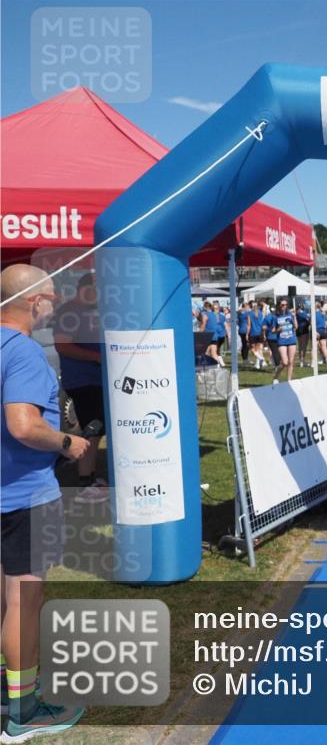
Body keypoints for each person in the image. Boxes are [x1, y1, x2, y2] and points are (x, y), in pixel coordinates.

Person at [1, 264, 88, 740]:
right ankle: (24, 712)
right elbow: (23, 424)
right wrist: (67, 443)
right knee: (24, 603)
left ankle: (8, 691)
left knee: (6, 599)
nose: (55, 307)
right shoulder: (24, 351)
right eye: (52, 298)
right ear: (35, 302)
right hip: (25, 495)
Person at [52, 272, 107, 502]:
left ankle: (90, 478)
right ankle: (85, 483)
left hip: (95, 380)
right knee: (91, 429)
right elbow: (62, 346)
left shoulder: (88, 311)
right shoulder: (69, 311)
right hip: (83, 381)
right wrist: (96, 357)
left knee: (96, 429)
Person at [271, 299, 297, 383]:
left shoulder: (290, 314)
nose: (284, 306)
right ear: (279, 305)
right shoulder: (276, 317)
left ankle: (289, 380)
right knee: (285, 362)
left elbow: (296, 327)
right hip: (281, 341)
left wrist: (294, 317)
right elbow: (273, 330)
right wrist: (277, 330)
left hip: (291, 339)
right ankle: (276, 376)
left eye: (286, 305)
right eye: (282, 305)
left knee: (291, 361)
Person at [248, 301, 266, 369]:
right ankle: (258, 364)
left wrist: (247, 334)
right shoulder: (261, 313)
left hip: (253, 333)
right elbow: (263, 324)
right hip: (260, 333)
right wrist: (264, 333)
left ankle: (261, 359)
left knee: (253, 349)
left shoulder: (250, 314)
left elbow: (249, 325)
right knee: (258, 349)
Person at [295, 301, 311, 367]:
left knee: (300, 346)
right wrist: (308, 324)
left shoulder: (296, 314)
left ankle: (301, 360)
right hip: (304, 330)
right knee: (303, 346)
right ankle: (302, 360)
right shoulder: (302, 313)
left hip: (298, 330)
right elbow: (308, 320)